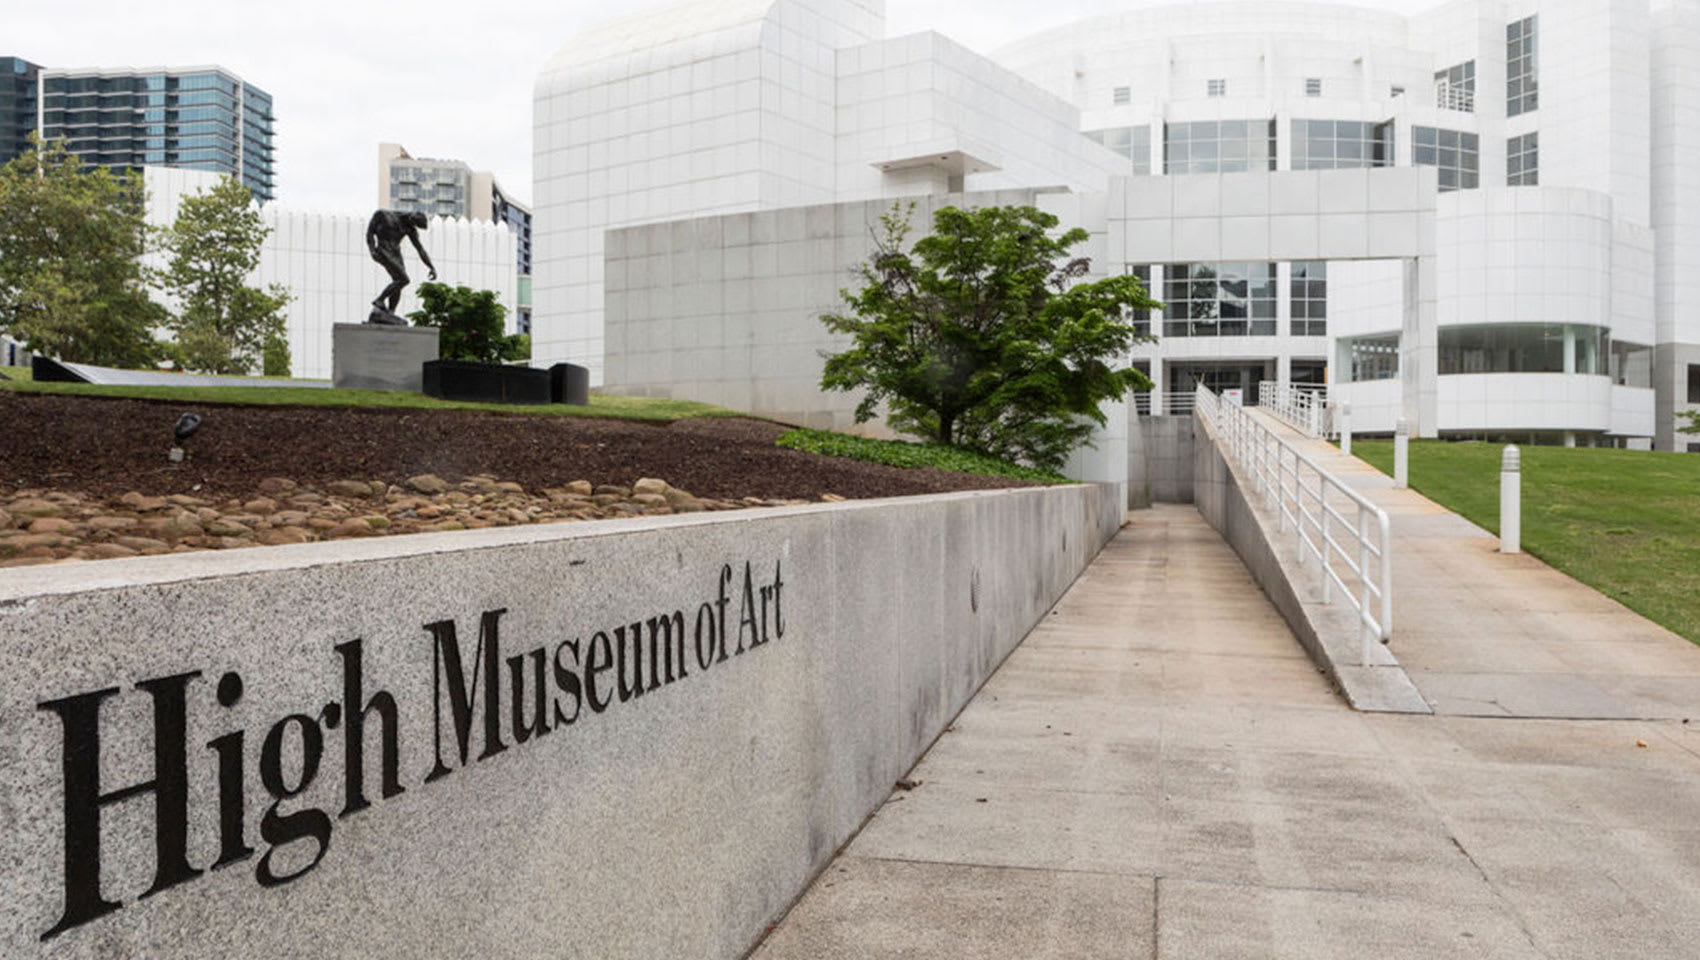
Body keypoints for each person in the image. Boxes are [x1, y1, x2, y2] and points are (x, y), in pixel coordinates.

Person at [366, 209, 437, 322]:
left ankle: (390, 312)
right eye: (413, 223)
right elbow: (370, 232)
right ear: (410, 217)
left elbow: (420, 249)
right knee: (403, 279)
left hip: (396, 254)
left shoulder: (409, 228)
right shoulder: (383, 215)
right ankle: (379, 300)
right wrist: (372, 250)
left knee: (398, 282)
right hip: (383, 251)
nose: (413, 227)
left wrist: (431, 267)